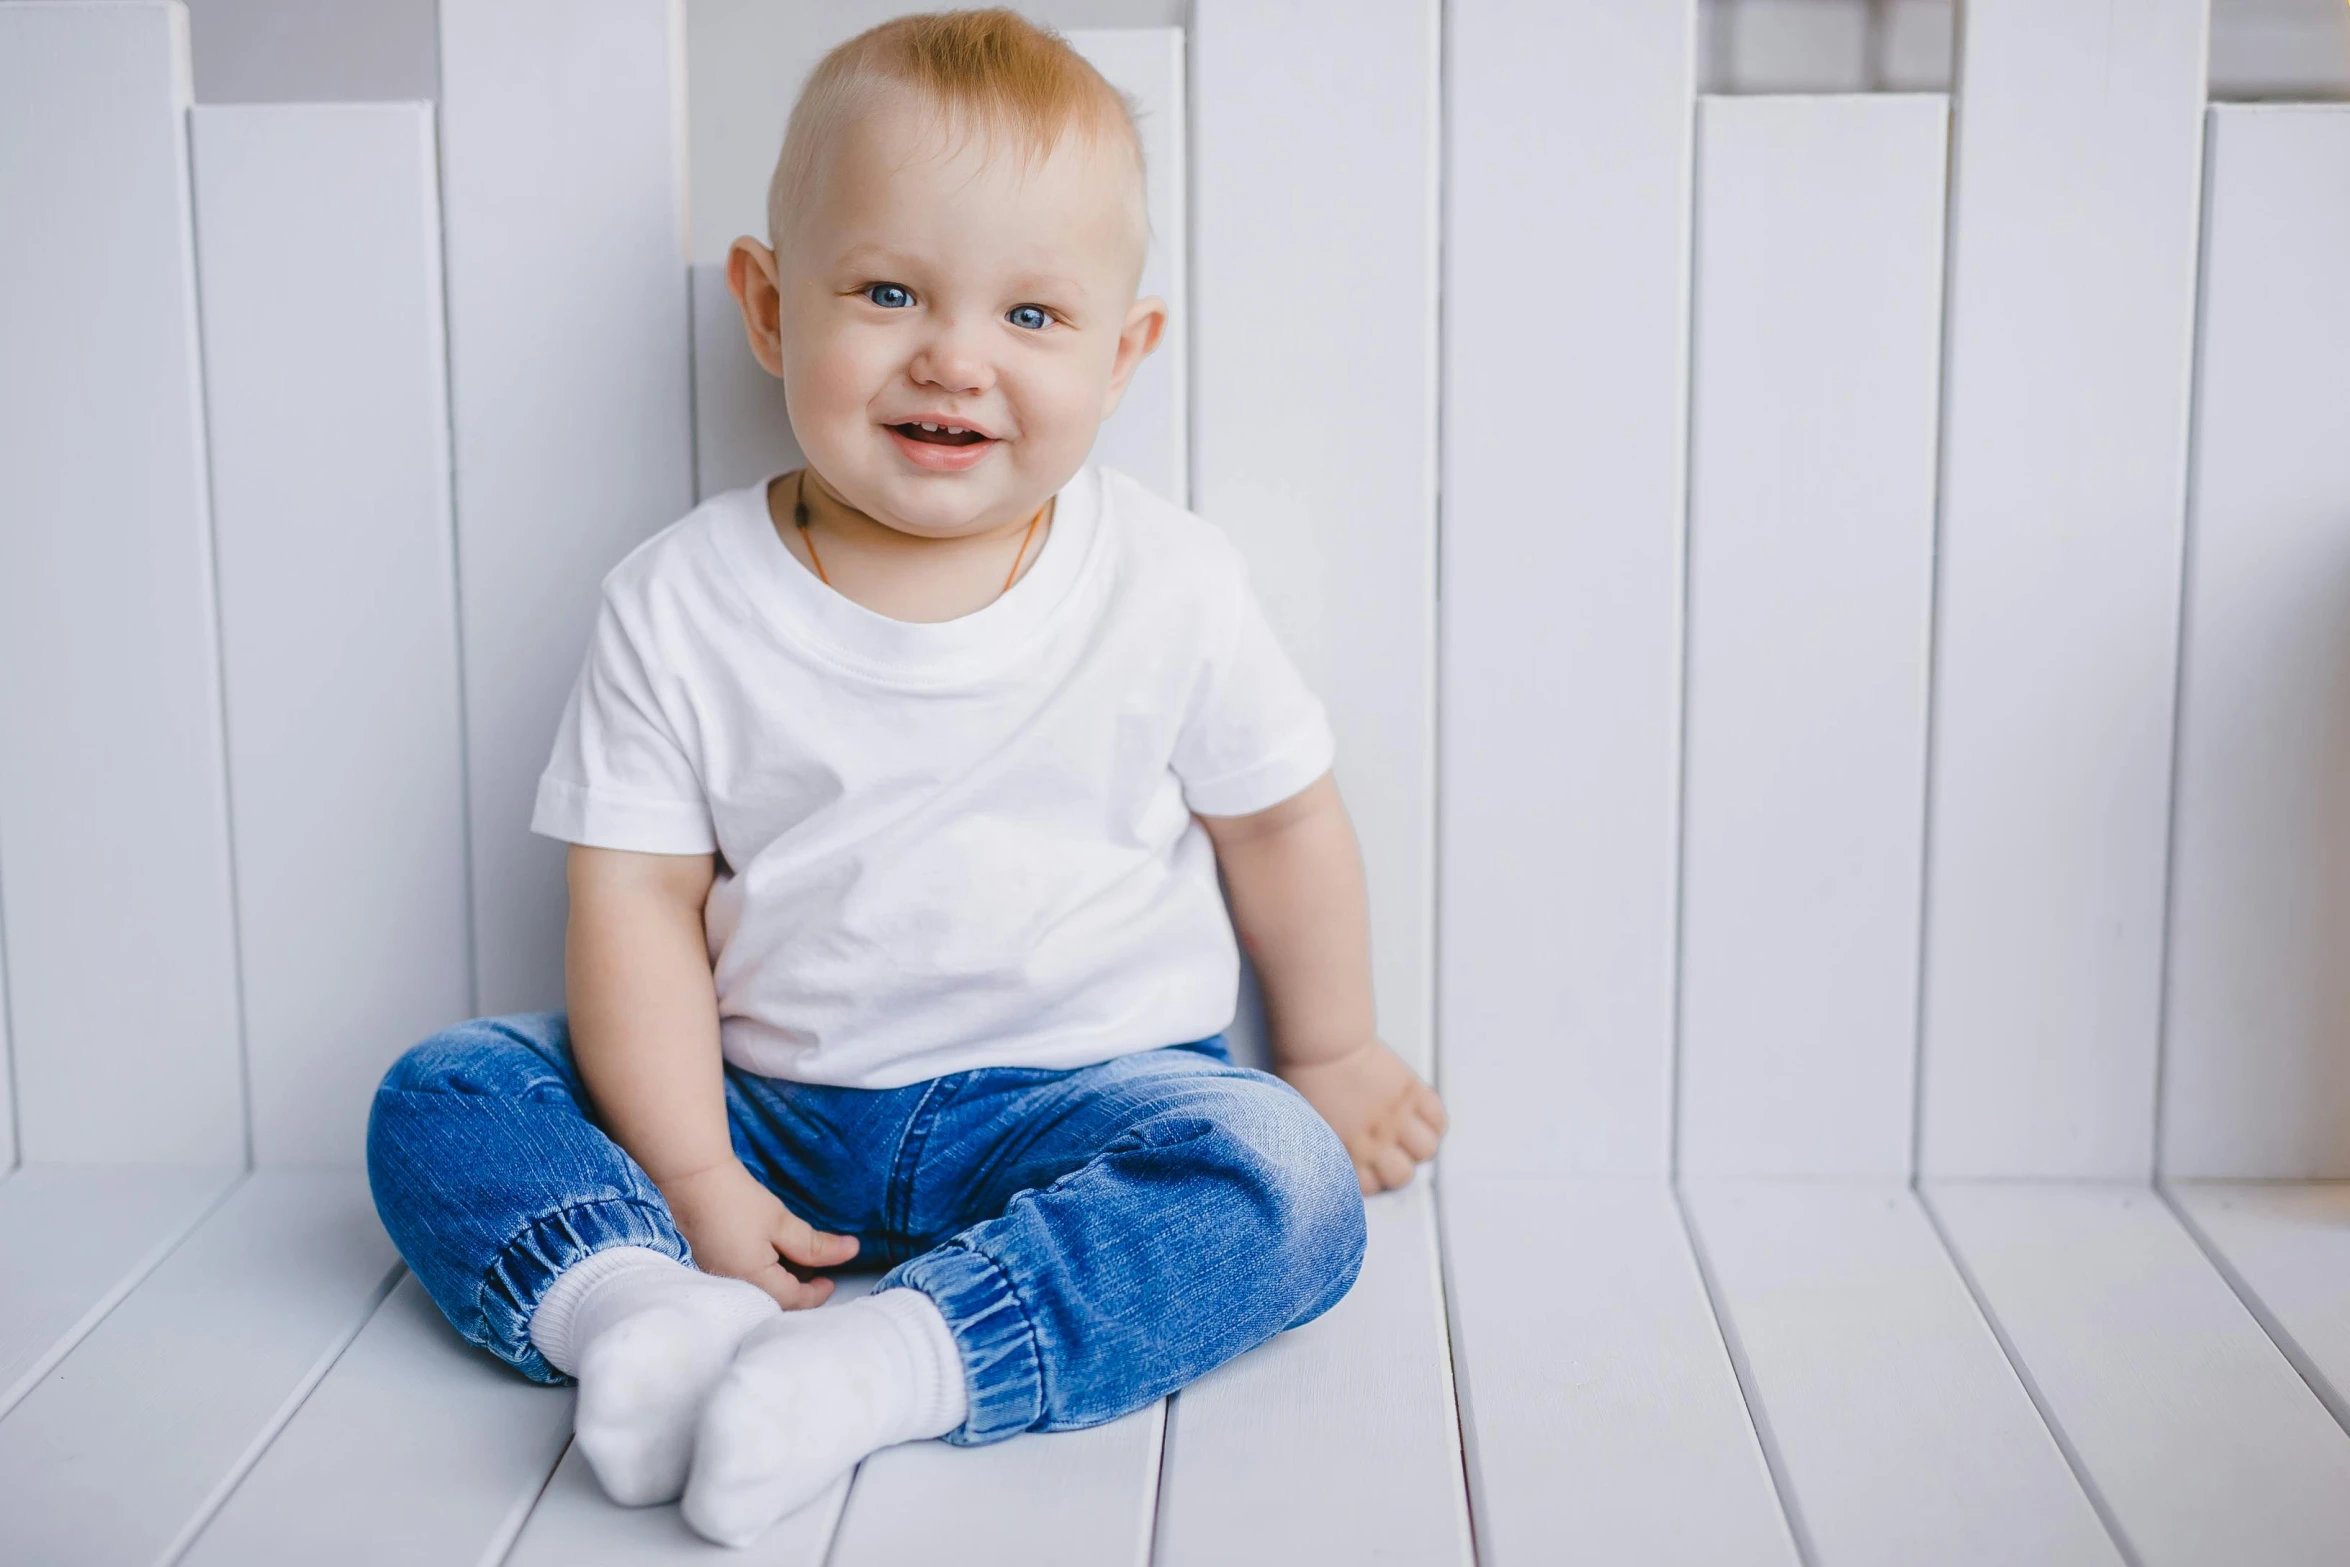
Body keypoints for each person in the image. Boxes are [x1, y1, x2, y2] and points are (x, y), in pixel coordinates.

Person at [367, 9, 1445, 1548]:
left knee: (1282, 1176)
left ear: (1124, 353)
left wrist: (1330, 1047)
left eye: (1032, 314)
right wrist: (685, 1168)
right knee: (450, 1089)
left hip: (1088, 1095)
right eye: (885, 292)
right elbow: (634, 904)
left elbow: (1276, 819)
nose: (953, 356)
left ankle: (898, 1360)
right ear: (766, 304)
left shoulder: (1170, 583)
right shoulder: (682, 602)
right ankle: (637, 1315)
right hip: (767, 1111)